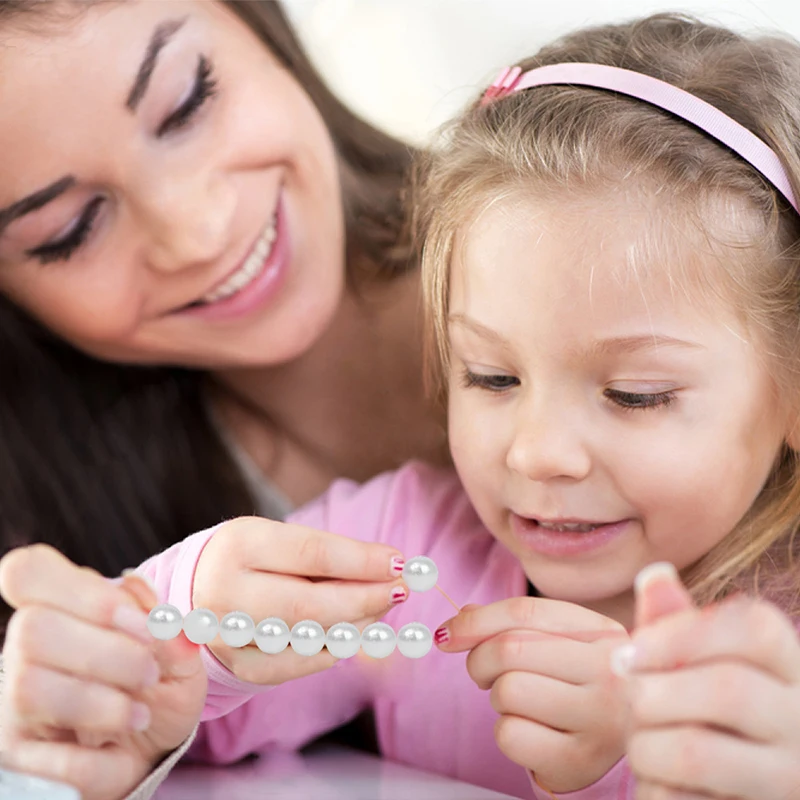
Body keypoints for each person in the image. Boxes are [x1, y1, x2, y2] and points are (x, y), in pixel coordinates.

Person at [5, 9, 800, 800]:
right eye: (489, 376)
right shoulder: (408, 546)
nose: (534, 453)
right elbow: (188, 705)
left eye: (636, 395)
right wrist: (161, 641)